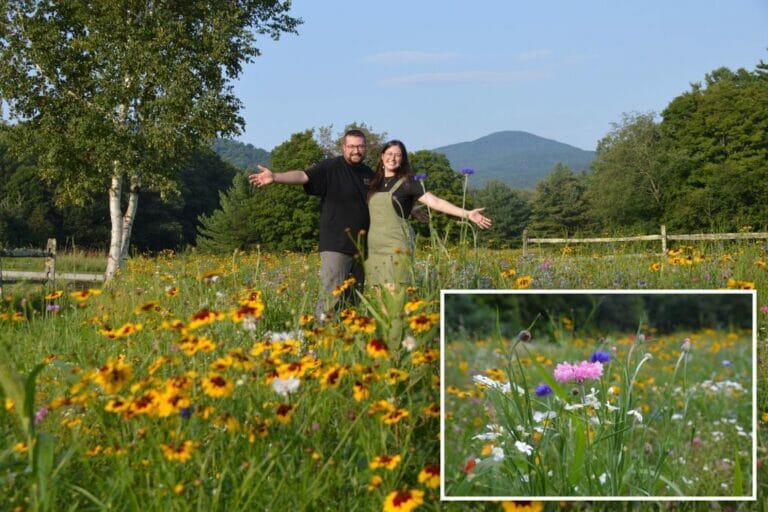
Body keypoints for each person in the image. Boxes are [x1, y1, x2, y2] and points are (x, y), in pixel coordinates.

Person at [248, 129, 374, 320]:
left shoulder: (369, 173)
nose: (356, 150)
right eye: (352, 146)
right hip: (336, 246)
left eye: (360, 146)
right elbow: (303, 176)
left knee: (353, 302)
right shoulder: (331, 167)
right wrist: (276, 177)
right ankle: (320, 341)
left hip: (360, 248)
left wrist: (410, 208)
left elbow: (382, 199)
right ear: (343, 147)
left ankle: (347, 344)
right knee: (331, 298)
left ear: (365, 148)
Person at [366, 139, 492, 290]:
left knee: (394, 296)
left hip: (396, 245)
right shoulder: (373, 182)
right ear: (382, 155)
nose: (392, 158)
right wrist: (410, 209)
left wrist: (467, 214)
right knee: (379, 297)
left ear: (402, 159)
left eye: (398, 155)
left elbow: (435, 202)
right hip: (373, 247)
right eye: (389, 153)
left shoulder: (409, 182)